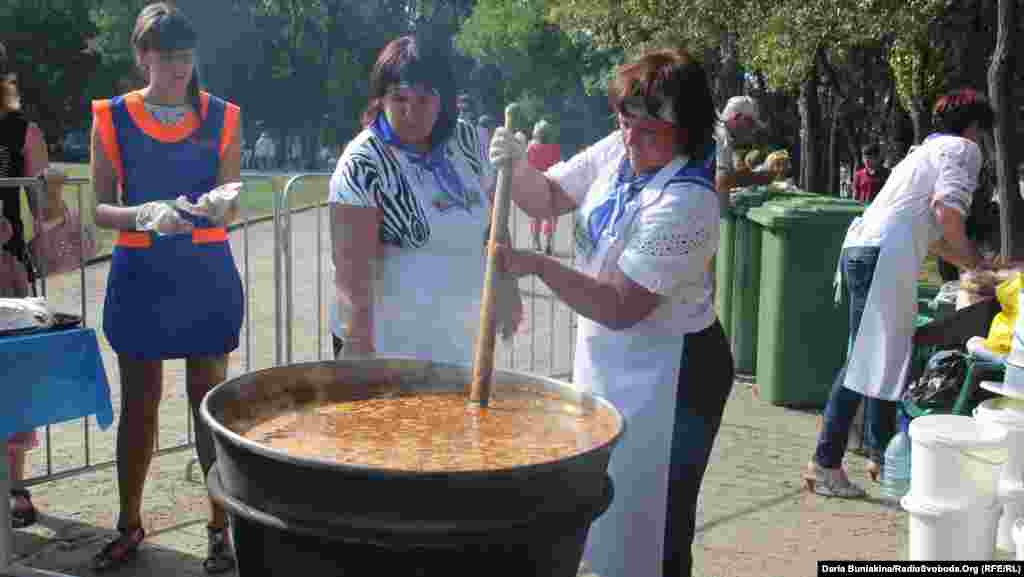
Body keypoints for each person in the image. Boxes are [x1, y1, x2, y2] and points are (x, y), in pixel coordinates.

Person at [489, 47, 733, 577]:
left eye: (651, 130)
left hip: (674, 373)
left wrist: (536, 264)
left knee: (657, 521)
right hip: (612, 357)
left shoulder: (689, 200)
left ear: (686, 131)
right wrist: (516, 164)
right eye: (627, 121)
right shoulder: (618, 151)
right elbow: (549, 196)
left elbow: (621, 305)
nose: (633, 138)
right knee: (606, 507)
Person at [88, 3, 243, 572]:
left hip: (205, 276)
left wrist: (220, 204)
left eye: (184, 55)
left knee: (209, 408)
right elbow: (100, 208)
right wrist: (144, 213)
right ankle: (129, 523)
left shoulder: (223, 115)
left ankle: (219, 528)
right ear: (141, 56)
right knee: (140, 406)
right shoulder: (111, 116)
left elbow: (230, 195)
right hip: (142, 276)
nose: (177, 67)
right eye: (164, 56)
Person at [804, 88, 996, 498]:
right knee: (866, 359)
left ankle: (879, 452)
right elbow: (948, 216)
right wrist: (980, 269)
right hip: (884, 257)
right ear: (975, 127)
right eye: (983, 132)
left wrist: (975, 265)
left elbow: (938, 237)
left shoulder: (924, 152)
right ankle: (825, 462)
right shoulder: (962, 150)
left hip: (865, 248)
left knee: (884, 354)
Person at [328, 35, 520, 363]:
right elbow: (351, 275)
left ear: (443, 100)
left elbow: (495, 224)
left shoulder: (468, 141)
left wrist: (508, 287)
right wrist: (358, 353)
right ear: (380, 99)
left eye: (423, 100)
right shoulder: (363, 164)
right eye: (399, 98)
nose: (410, 111)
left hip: (461, 341)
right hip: (391, 349)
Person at [0, 39, 83, 531]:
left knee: (12, 383)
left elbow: (47, 218)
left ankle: (13, 484)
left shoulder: (20, 132)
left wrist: (51, 193)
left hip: (6, 276)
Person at [714, 95, 780, 200]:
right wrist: (760, 177)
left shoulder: (726, 138)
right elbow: (721, 180)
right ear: (736, 117)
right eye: (751, 123)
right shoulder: (721, 137)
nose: (752, 130)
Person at [526, 119, 561, 255]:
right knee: (551, 215)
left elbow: (526, 165)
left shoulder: (530, 147)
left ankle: (536, 243)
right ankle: (548, 242)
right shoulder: (555, 147)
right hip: (550, 184)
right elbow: (559, 165)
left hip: (534, 184)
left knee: (535, 215)